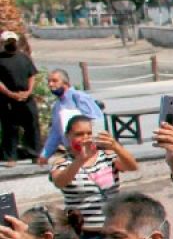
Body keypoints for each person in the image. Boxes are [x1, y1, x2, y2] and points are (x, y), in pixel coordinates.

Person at [49, 115, 138, 239]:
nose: (85, 138)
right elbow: (60, 181)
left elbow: (132, 166)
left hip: (112, 231)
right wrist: (80, 160)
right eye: (79, 134)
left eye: (88, 133)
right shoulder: (62, 162)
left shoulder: (106, 156)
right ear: (68, 136)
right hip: (84, 235)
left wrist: (115, 146)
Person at [39, 69, 103, 165]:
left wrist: (97, 145)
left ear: (66, 83)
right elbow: (55, 133)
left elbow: (96, 121)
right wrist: (45, 155)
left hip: (90, 150)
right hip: (72, 152)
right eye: (49, 81)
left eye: (54, 81)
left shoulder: (78, 97)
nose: (50, 84)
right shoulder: (57, 106)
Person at [0, 31, 38, 165]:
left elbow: (32, 75)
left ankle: (35, 154)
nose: (11, 43)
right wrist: (10, 94)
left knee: (32, 126)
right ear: (3, 43)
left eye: (12, 41)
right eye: (8, 41)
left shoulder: (24, 57)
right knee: (10, 128)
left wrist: (29, 91)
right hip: (8, 100)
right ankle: (11, 157)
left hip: (26, 98)